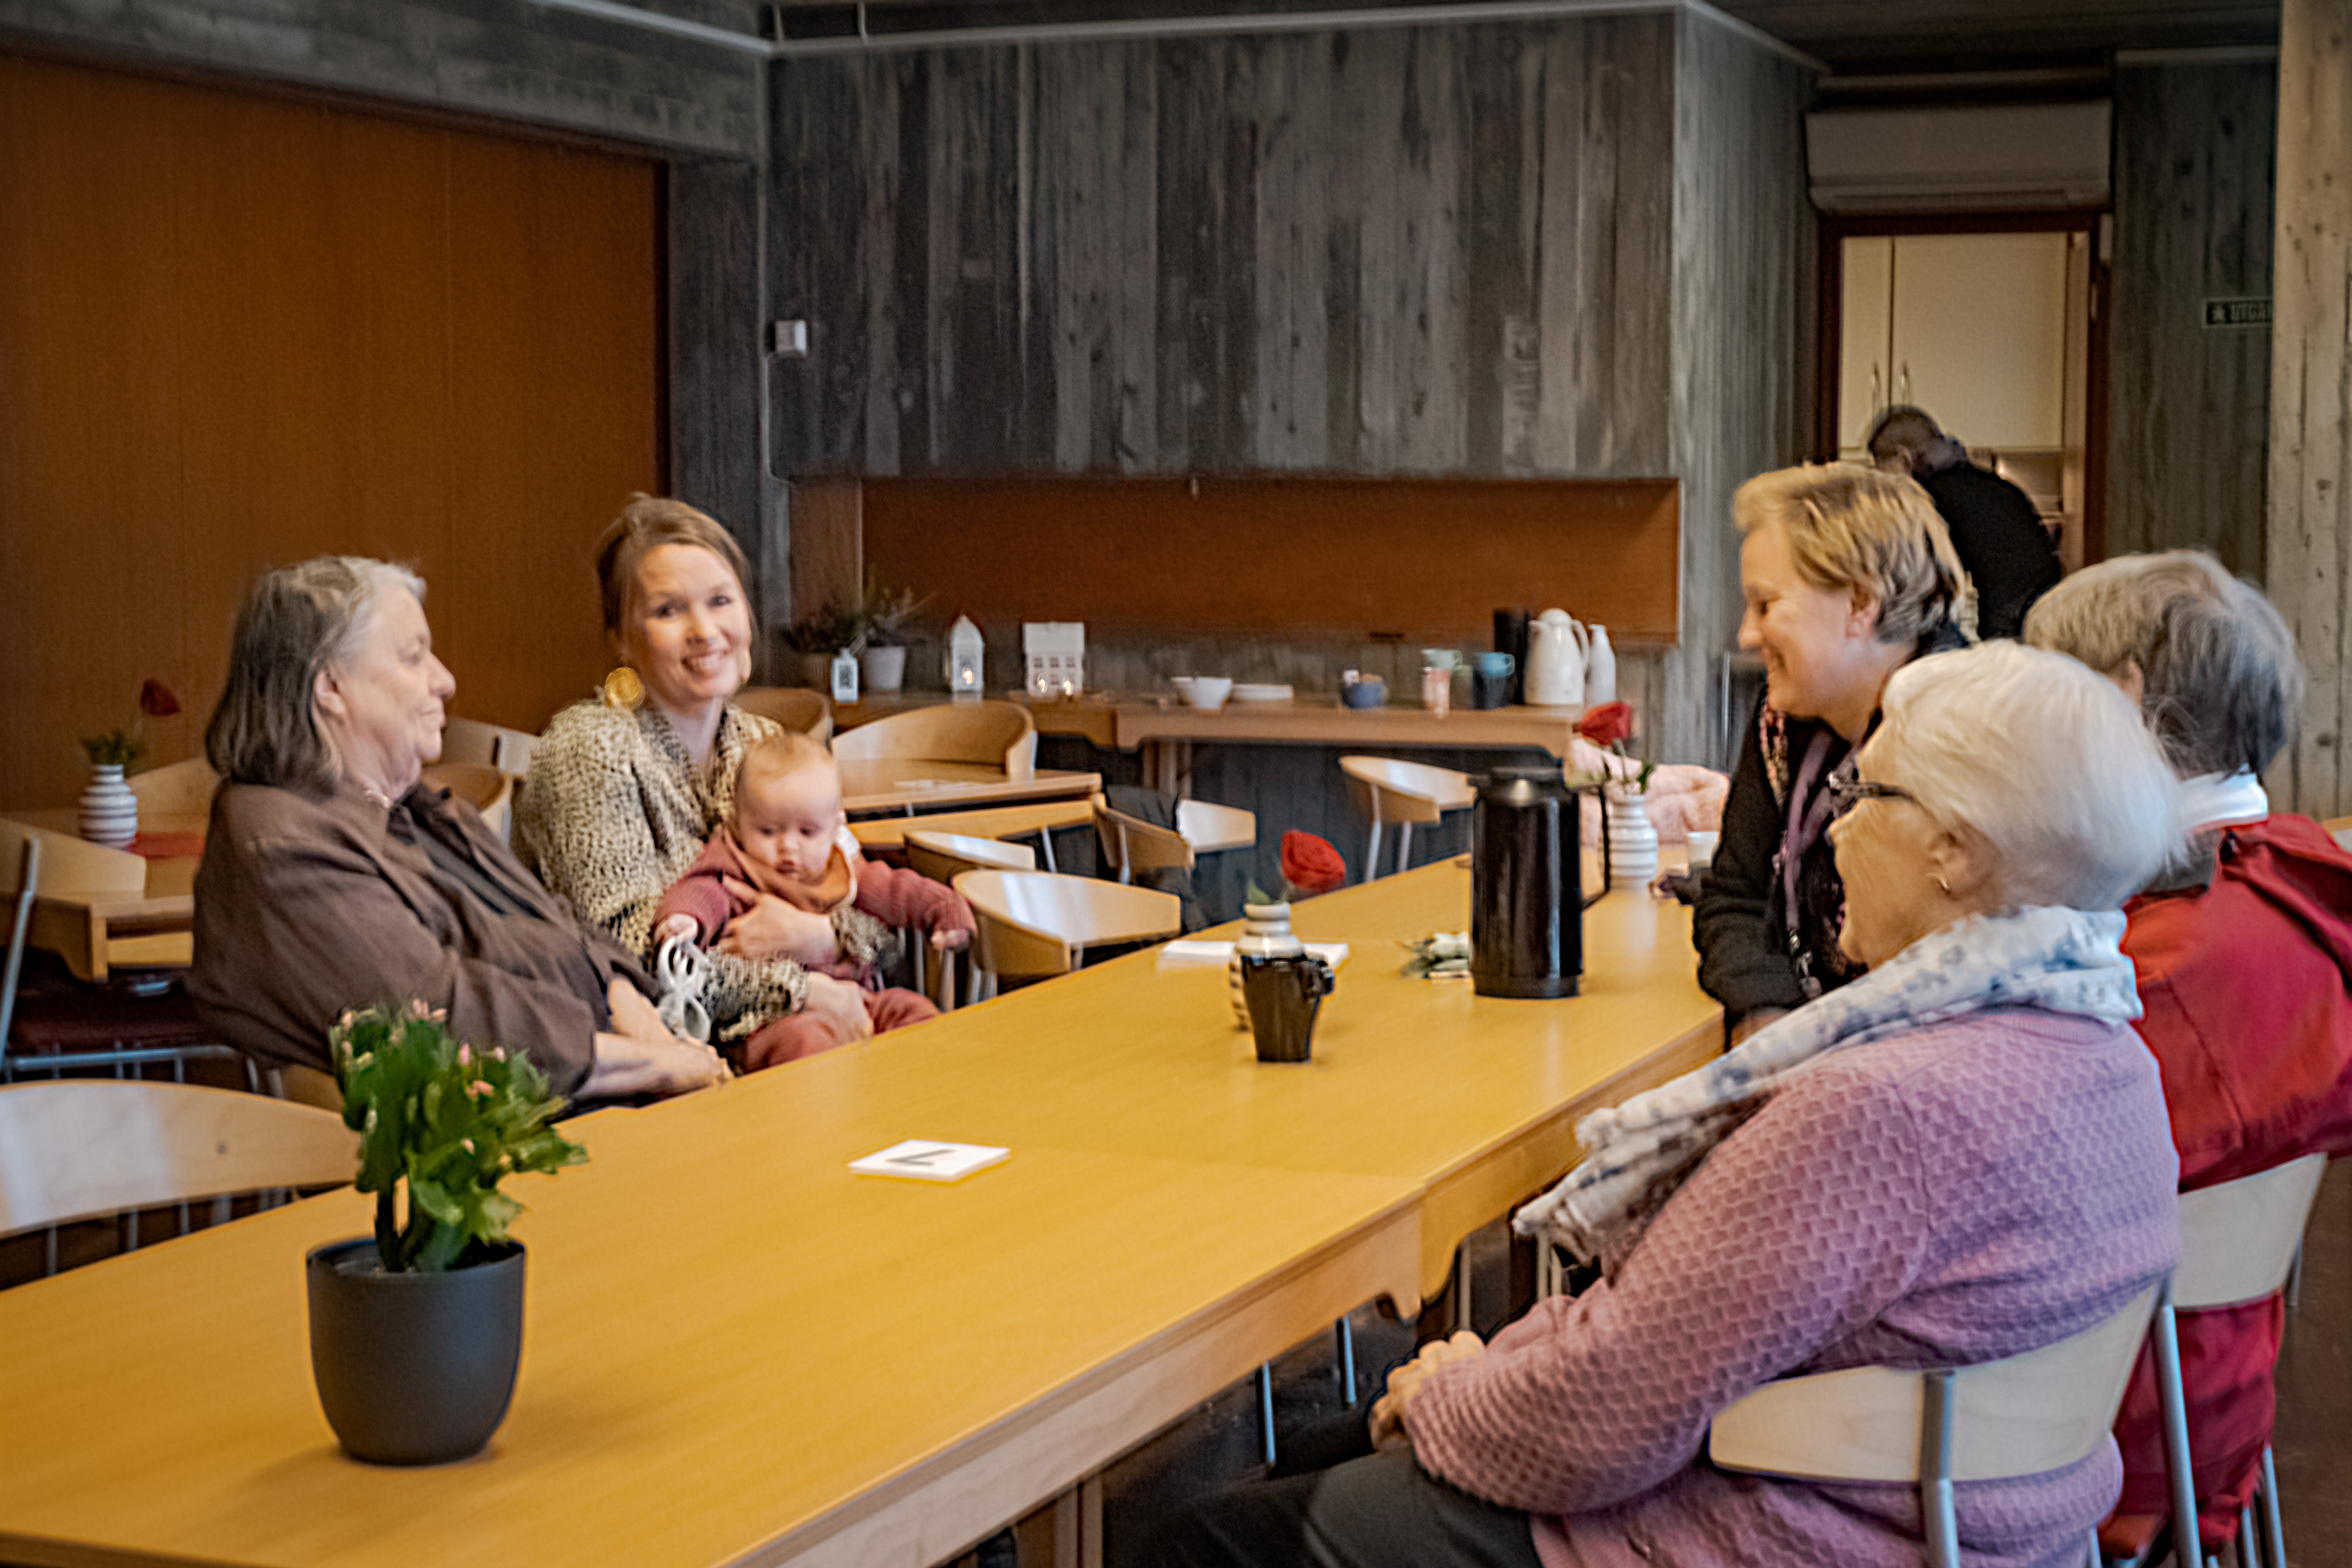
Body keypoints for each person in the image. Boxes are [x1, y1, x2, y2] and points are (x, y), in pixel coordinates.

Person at [1147, 641, 2185, 1568]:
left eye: (1871, 796)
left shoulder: (1886, 1109)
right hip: (1990, 1525)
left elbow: (1597, 1419)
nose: (1834, 831)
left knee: (1195, 1533)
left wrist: (1453, 1388)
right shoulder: (2110, 1055)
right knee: (1323, 1448)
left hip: (1771, 1528)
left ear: (1955, 849)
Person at [2024, 551, 2352, 1558]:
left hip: (2095, 1425)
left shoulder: (2155, 963)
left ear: (2118, 700)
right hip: (2212, 1400)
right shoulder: (2294, 894)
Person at [188, 557, 728, 1102]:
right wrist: (659, 1063)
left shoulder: (420, 812)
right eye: (413, 656)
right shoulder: (283, 841)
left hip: (605, 1098)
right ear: (331, 684)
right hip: (496, 1149)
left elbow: (575, 934)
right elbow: (444, 1020)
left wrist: (649, 1031)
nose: (445, 681)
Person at [516, 495, 876, 1058]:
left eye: (720, 601)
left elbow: (879, 919)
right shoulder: (590, 748)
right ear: (622, 638)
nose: (704, 630)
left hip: (807, 1017)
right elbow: (632, 962)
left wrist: (820, 936)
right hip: (663, 1059)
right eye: (668, 610)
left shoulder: (765, 745)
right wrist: (802, 988)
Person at [1694, 463, 1972, 1041]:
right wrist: (1762, 1013)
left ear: (1860, 604)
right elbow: (1732, 896)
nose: (1747, 634)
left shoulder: (1969, 734)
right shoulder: (1783, 719)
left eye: (1765, 604)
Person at [652, 731, 973, 1070]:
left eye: (807, 832)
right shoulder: (735, 866)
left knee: (917, 1014)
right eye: (769, 831)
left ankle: (929, 1100)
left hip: (858, 1001)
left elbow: (897, 889)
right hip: (771, 1018)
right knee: (809, 1043)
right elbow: (703, 891)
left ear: (835, 828)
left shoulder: (839, 871)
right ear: (736, 823)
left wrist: (944, 908)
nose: (788, 847)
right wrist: (684, 918)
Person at [1867, 404, 2062, 638]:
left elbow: (1925, 580)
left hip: (2013, 622)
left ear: (1903, 457)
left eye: (1882, 467)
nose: (1881, 480)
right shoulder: (1982, 483)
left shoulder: (1931, 496)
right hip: (2050, 611)